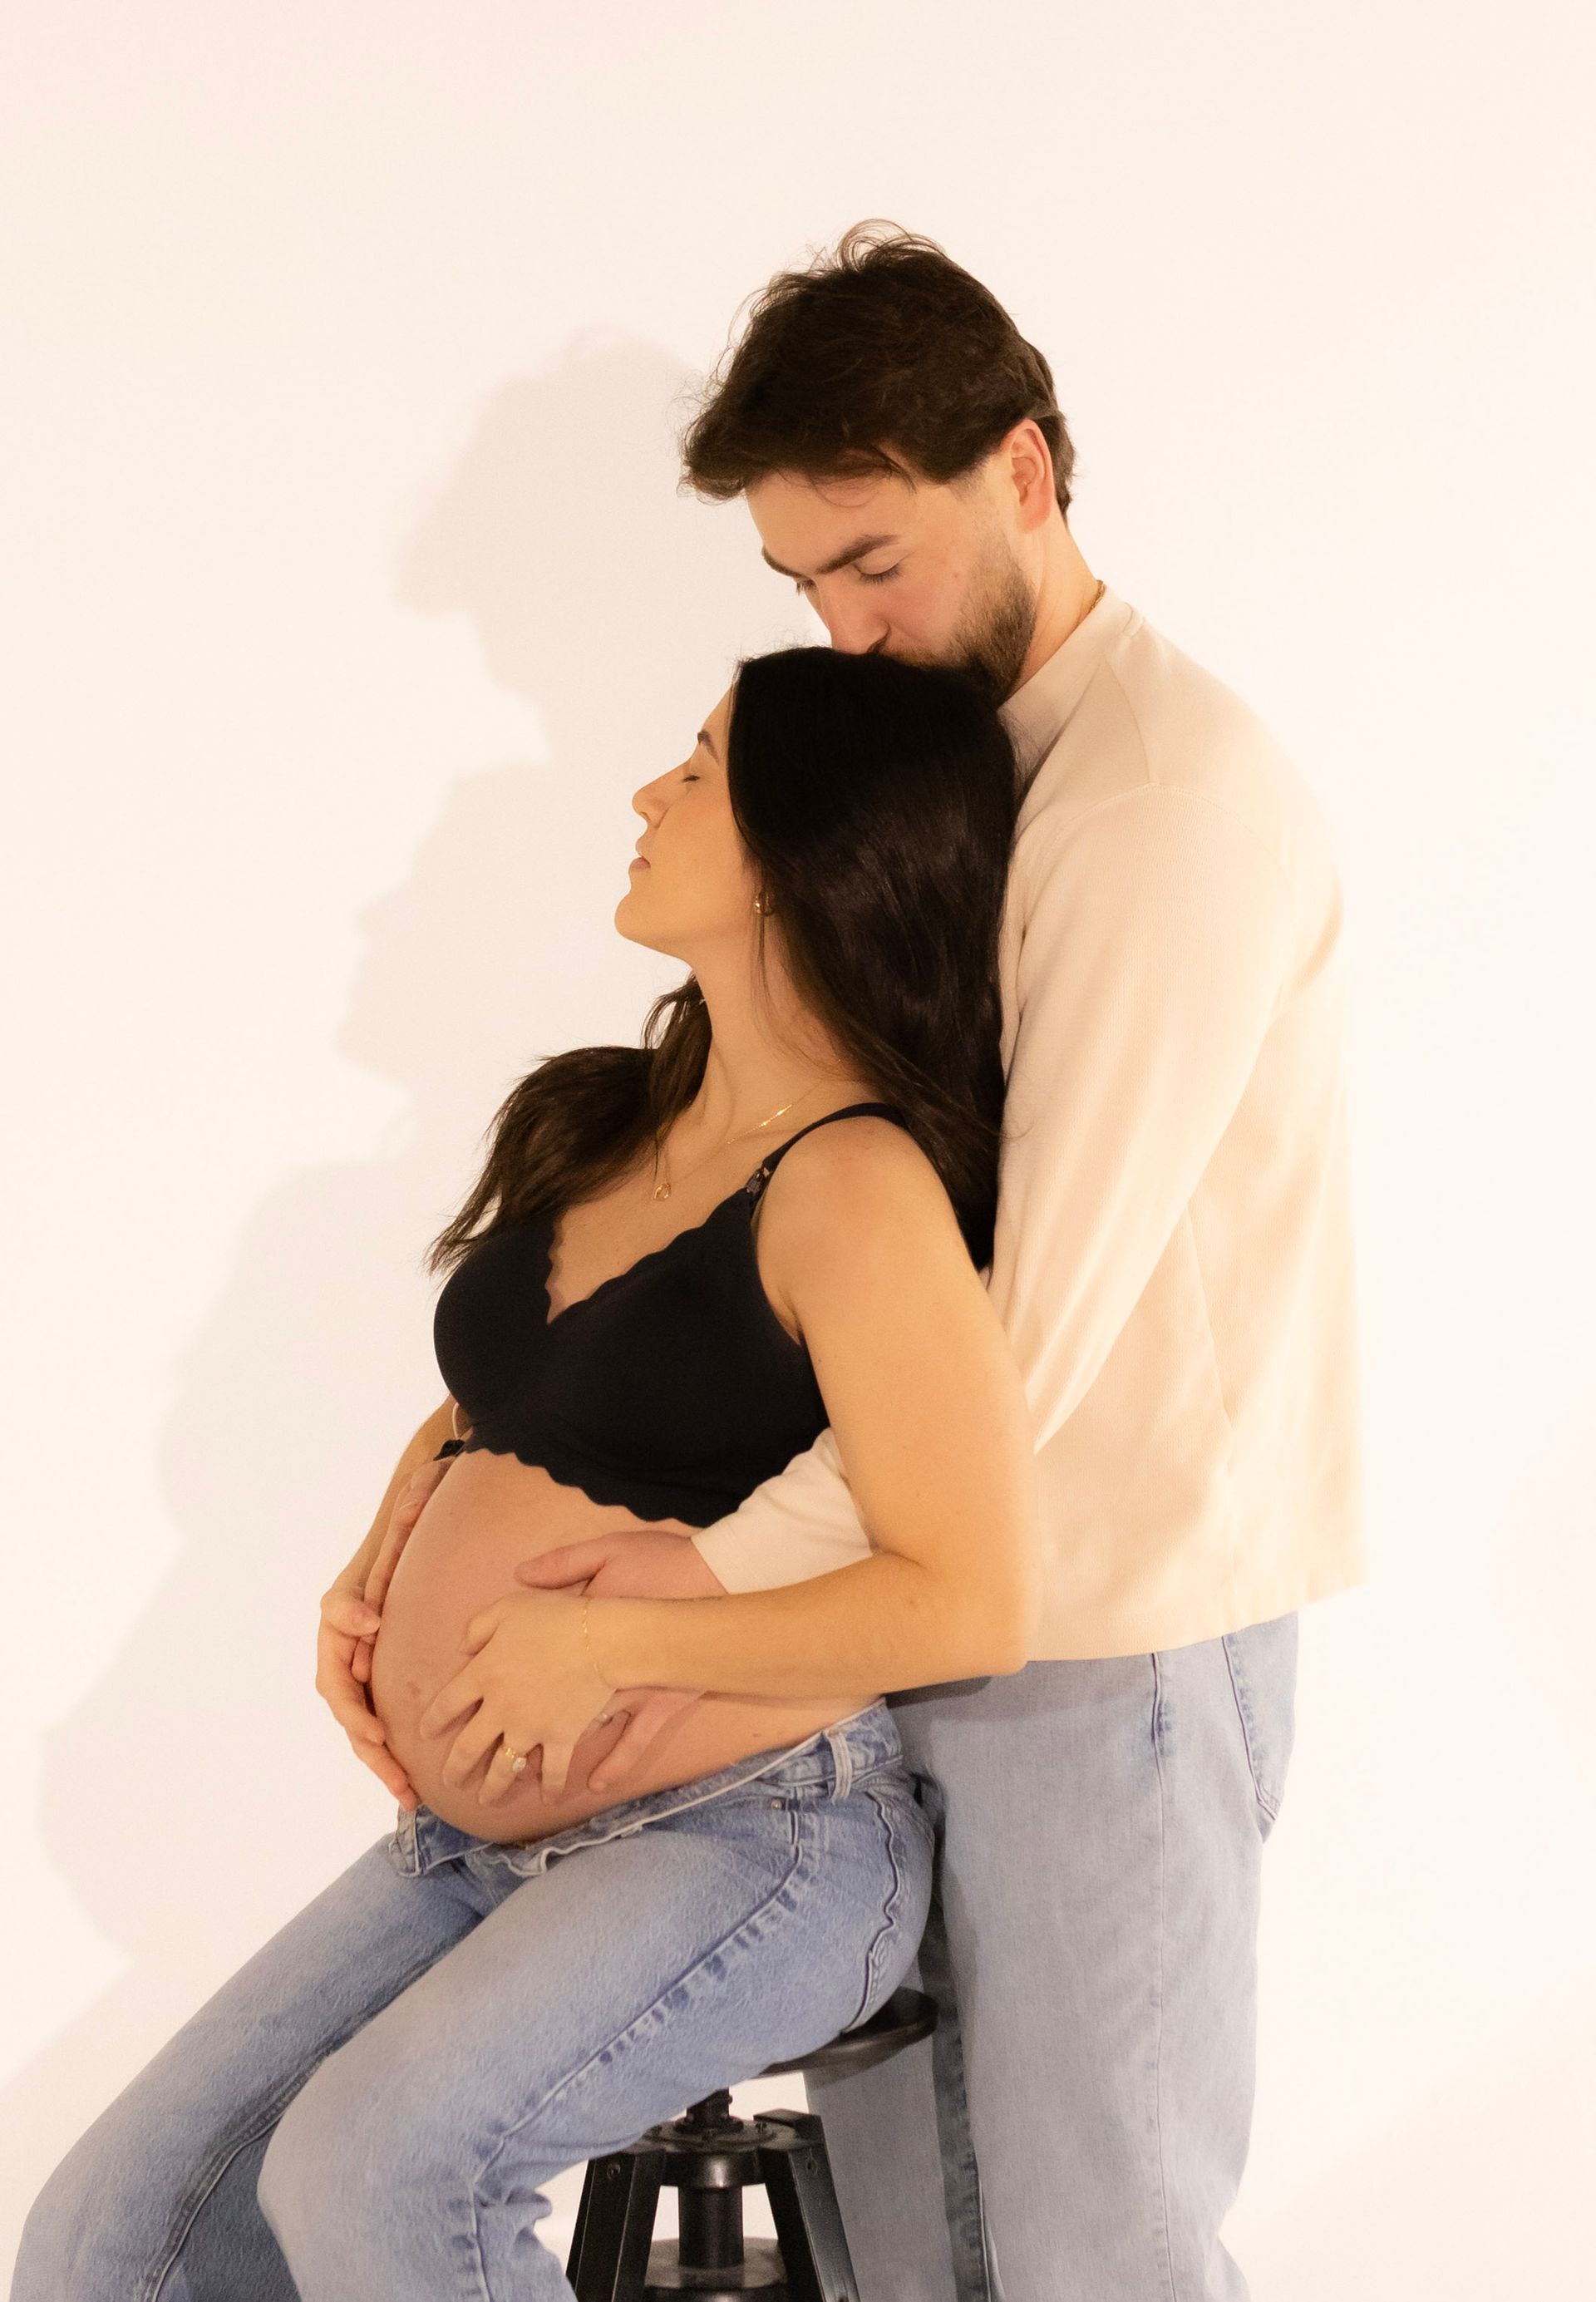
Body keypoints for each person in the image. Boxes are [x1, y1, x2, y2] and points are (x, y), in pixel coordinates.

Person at [487, 222, 1367, 2300]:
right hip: (920, 1611)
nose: (847, 630)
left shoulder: (1153, 808)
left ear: (1030, 472)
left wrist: (693, 1590)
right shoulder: (981, 769)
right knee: (909, 2248)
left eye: (875, 561)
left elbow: (1023, 1331)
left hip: (1112, 1640)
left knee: (1093, 2254)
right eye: (804, 585)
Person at [10, 643, 1042, 2301]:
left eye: (698, 768)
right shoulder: (611, 1117)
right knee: (110, 2235)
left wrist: (610, 1640)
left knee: (374, 2164)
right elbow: (519, 1392)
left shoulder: (854, 1187)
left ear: (808, 839)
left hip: (753, 1829)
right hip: (471, 1832)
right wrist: (384, 1549)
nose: (648, 793)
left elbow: (970, 1589)